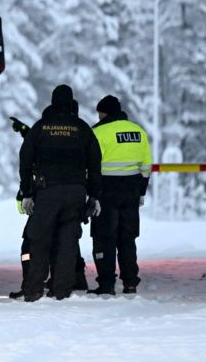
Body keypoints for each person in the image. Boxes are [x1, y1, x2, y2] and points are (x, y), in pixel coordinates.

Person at [18, 85, 102, 302]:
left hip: (47, 193)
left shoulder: (41, 128)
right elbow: (95, 165)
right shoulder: (82, 128)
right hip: (75, 192)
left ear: (53, 101)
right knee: (68, 242)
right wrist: (94, 196)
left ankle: (34, 289)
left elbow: (25, 161)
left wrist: (26, 192)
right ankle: (62, 291)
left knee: (39, 239)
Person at [8, 116, 89, 299]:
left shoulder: (43, 133)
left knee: (33, 243)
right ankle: (69, 282)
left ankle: (32, 284)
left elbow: (34, 149)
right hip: (70, 198)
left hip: (45, 198)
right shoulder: (78, 134)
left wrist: (27, 192)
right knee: (67, 243)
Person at [89, 95, 152, 295]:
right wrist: (141, 192)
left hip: (106, 189)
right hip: (132, 189)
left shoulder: (98, 132)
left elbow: (91, 166)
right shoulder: (138, 131)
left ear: (103, 113)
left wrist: (92, 195)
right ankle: (130, 282)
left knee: (104, 237)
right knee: (127, 238)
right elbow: (146, 167)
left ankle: (106, 284)